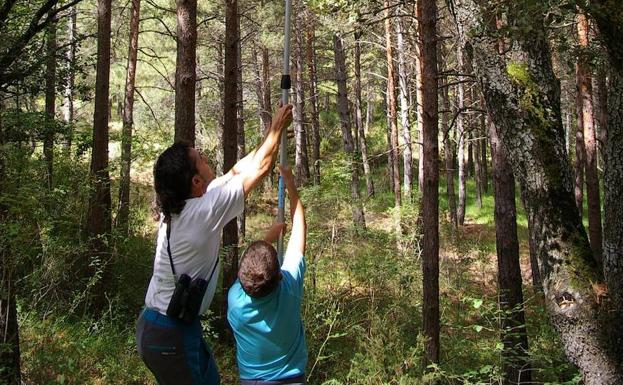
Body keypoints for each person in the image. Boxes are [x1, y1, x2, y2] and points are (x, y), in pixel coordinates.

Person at [136, 104, 293, 385]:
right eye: (201, 159)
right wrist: (279, 128)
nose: (207, 159)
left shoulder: (188, 205)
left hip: (167, 327)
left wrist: (270, 132)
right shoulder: (202, 212)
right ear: (196, 181)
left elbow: (238, 170)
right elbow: (262, 167)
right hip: (170, 332)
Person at [227, 165, 308, 385]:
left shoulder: (235, 300)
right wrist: (290, 183)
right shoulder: (289, 289)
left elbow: (249, 266)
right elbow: (300, 229)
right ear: (279, 275)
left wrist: (266, 239)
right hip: (293, 379)